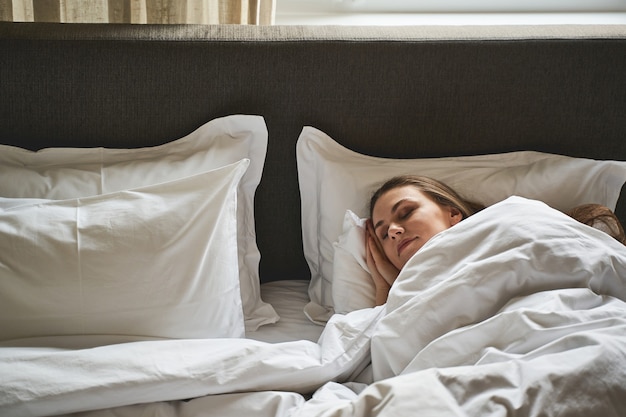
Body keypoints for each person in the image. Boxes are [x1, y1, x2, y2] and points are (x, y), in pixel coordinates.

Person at [365, 175, 626, 305]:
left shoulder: (513, 219)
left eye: (406, 212)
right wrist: (386, 293)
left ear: (453, 213)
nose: (394, 231)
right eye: (383, 233)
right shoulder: (401, 297)